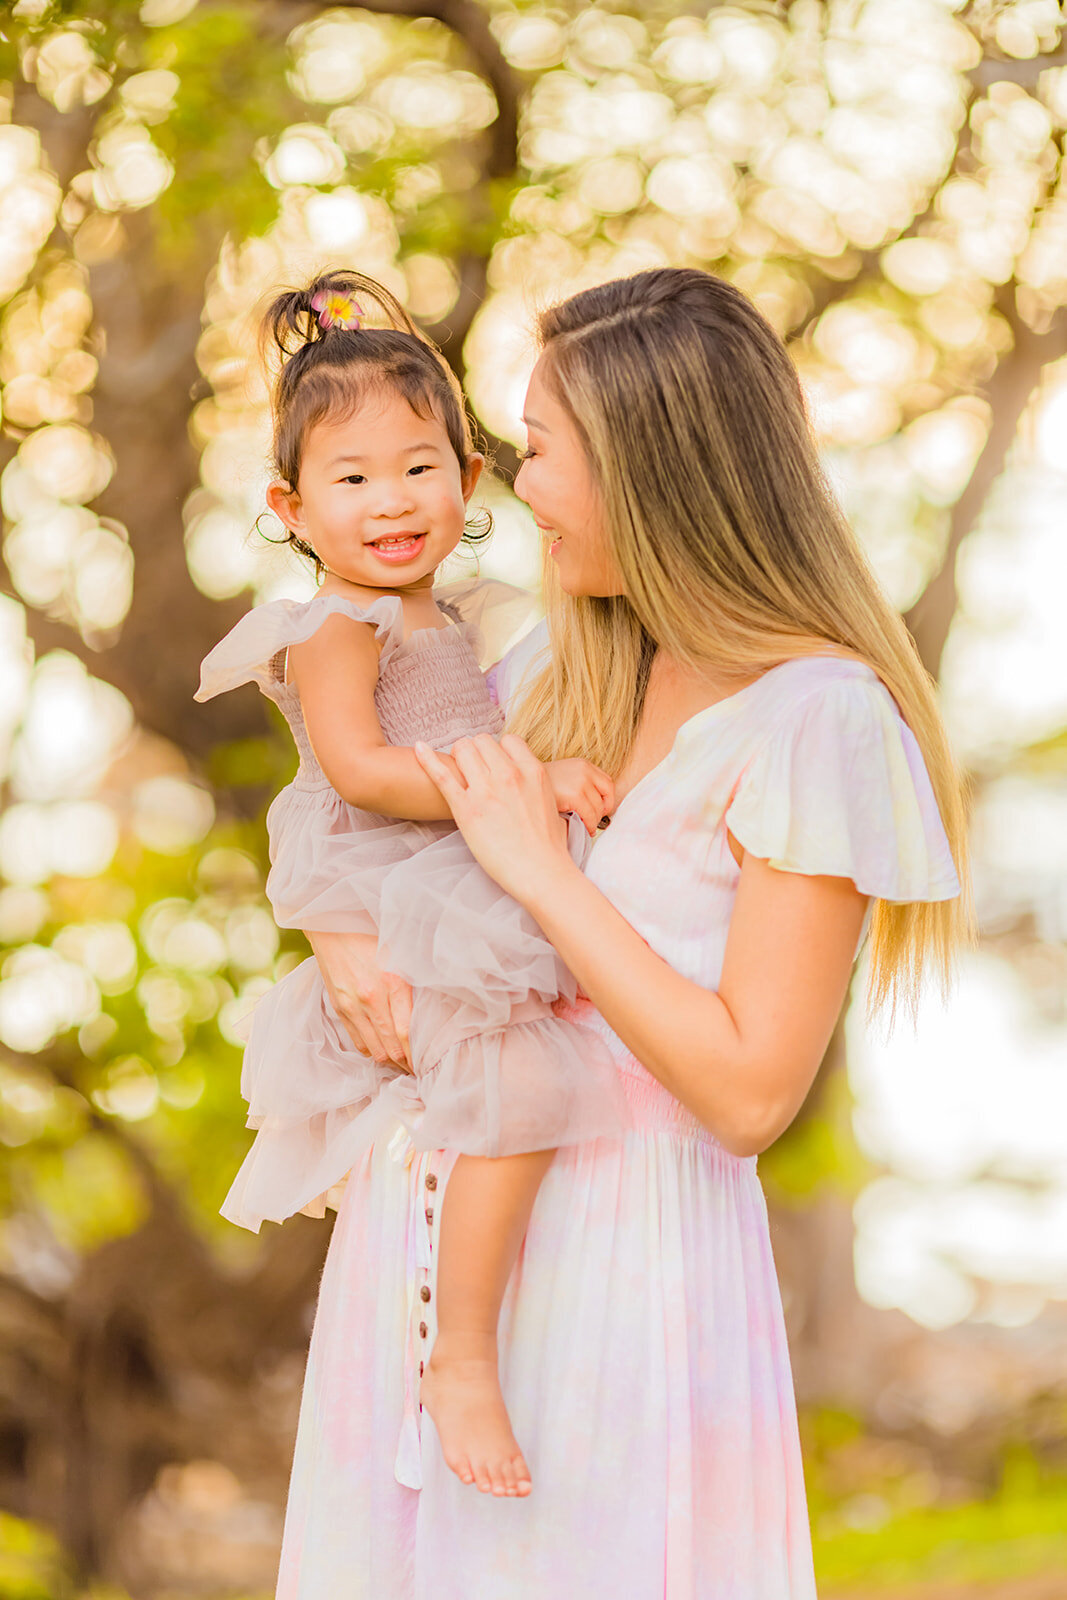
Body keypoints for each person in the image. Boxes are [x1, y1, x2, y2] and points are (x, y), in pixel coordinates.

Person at [287, 266, 968, 1598]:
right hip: (427, 1239)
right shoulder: (553, 666)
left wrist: (546, 878)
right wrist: (337, 936)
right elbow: (366, 803)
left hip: (621, 1265)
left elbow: (745, 1090)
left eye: (538, 451)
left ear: (649, 469)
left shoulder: (814, 720)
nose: (507, 486)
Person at [196, 271, 629, 1503]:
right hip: (396, 887)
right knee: (527, 1079)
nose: (390, 501)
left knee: (532, 1073)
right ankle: (460, 1359)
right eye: (349, 479)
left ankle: (481, 1334)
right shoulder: (335, 626)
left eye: (416, 467)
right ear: (290, 504)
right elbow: (363, 771)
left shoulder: (457, 613)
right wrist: (522, 783)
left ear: (469, 478)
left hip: (449, 879)